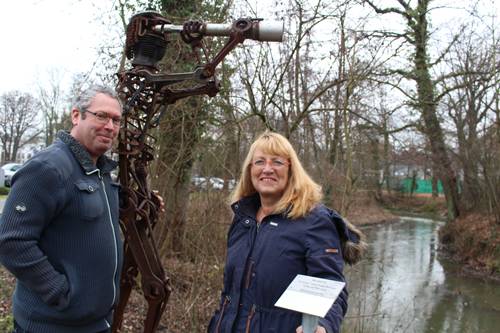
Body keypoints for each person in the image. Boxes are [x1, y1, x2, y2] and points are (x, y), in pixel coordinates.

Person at [208, 131, 364, 333]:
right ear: (250, 170)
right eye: (259, 162)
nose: (267, 169)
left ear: (291, 170)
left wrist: (324, 326)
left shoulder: (314, 221)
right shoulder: (242, 220)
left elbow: (331, 285)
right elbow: (230, 293)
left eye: (277, 162)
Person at [0, 85, 124, 333]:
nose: (110, 126)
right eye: (101, 116)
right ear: (76, 115)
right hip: (53, 325)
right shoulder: (49, 167)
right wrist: (60, 293)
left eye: (116, 120)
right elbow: (11, 241)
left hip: (96, 323)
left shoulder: (100, 172)